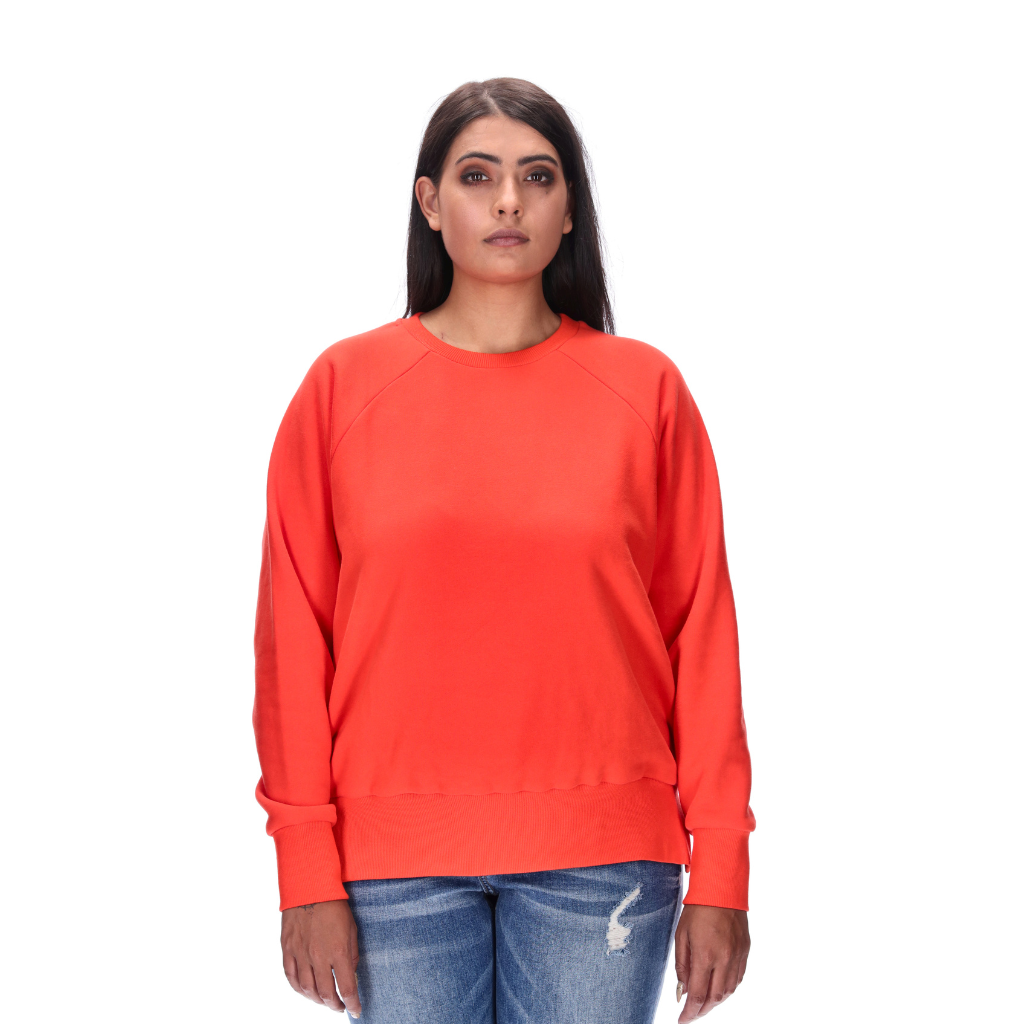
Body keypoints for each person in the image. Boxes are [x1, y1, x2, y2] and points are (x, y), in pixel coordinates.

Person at [252, 77, 755, 1024]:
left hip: (606, 859)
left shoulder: (645, 391)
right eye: (478, 176)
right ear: (429, 202)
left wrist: (722, 864)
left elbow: (702, 637)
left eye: (539, 176)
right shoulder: (341, 389)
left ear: (570, 211)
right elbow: (293, 646)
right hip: (390, 866)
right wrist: (304, 865)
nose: (510, 201)